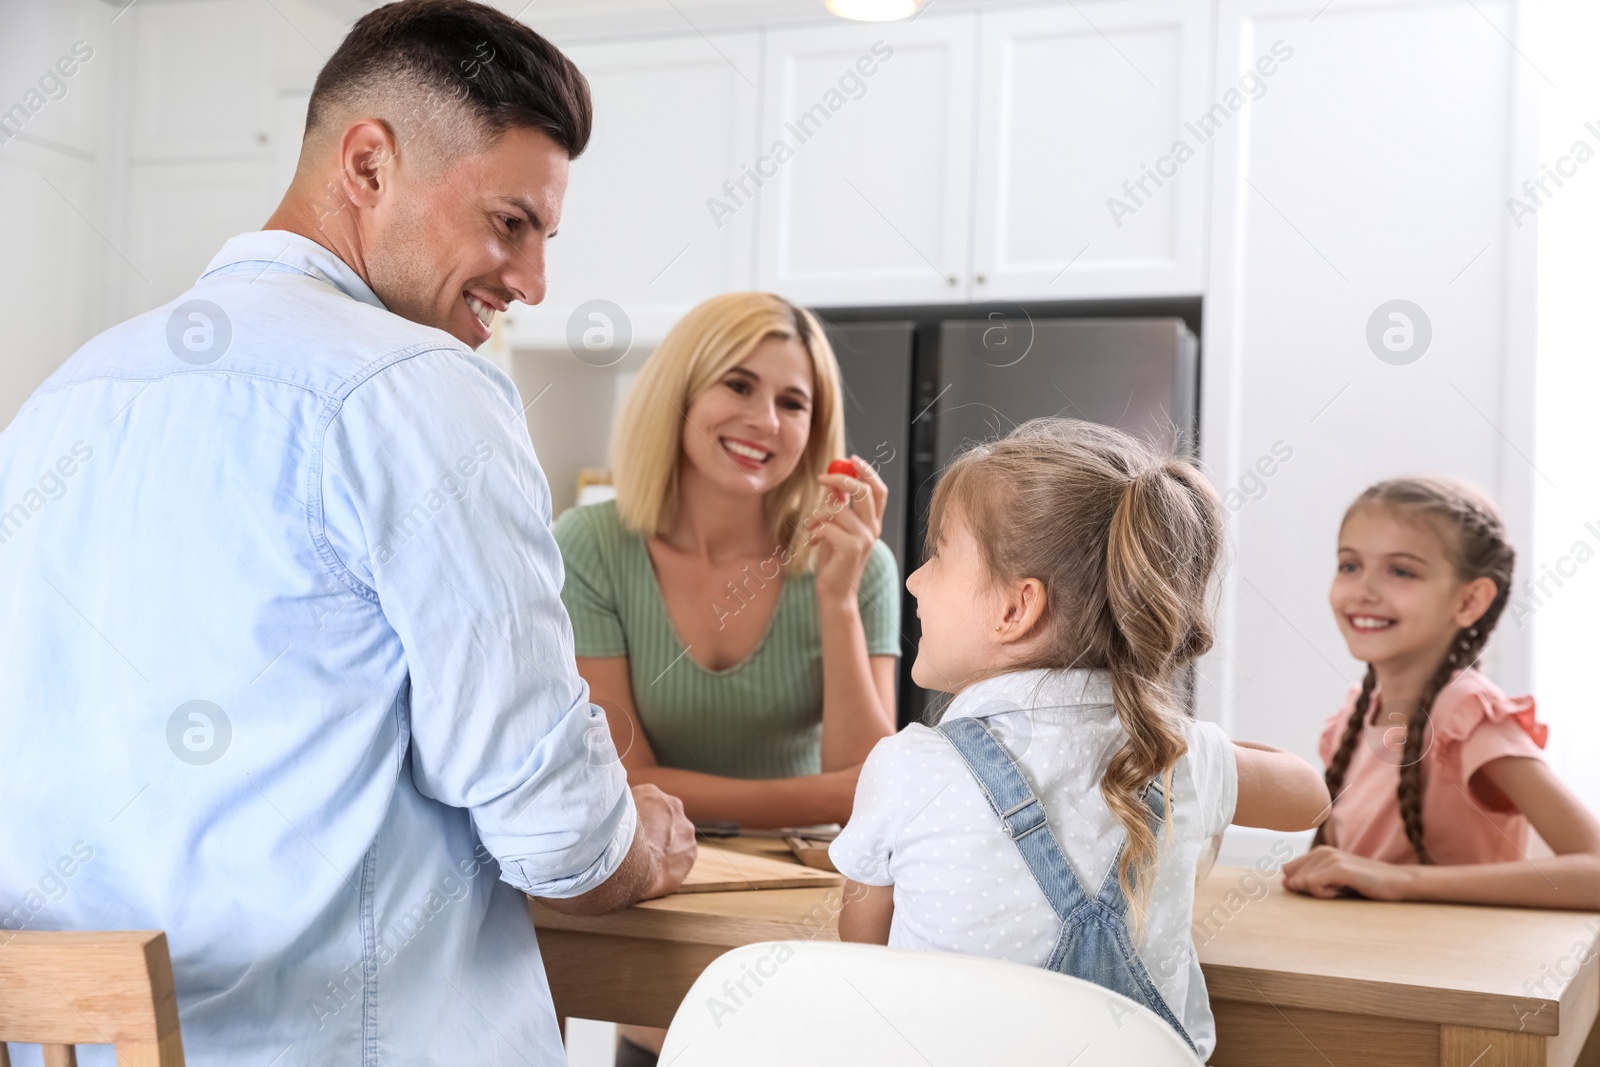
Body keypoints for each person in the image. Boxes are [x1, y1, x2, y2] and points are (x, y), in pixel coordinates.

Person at [0, 3, 694, 1065]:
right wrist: (639, 841)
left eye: (545, 238)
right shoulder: (419, 390)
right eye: (511, 221)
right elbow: (561, 841)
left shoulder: (62, 399)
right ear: (367, 163)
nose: (532, 281)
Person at [829, 418, 1330, 1062]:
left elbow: (863, 957)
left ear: (1017, 608)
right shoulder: (1177, 754)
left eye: (939, 554)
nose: (913, 581)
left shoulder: (907, 764)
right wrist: (1191, 738)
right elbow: (1309, 796)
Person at [551, 291, 900, 1064]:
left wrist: (837, 599)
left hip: (805, 906)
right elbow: (621, 772)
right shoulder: (590, 546)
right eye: (738, 385)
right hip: (663, 888)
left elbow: (877, 787)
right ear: (681, 391)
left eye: (793, 402)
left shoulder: (858, 563)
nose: (766, 422)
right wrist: (826, 793)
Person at [1281, 477, 1600, 907]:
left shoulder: (1467, 717)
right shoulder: (1353, 716)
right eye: (1350, 565)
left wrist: (1401, 881)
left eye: (1401, 571)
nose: (1365, 590)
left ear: (1469, 601)